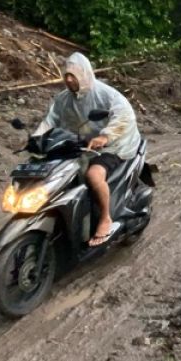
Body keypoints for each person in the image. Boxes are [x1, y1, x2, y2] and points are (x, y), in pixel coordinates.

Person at [34, 52, 140, 246]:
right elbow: (50, 120)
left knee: (93, 175)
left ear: (84, 74)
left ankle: (105, 218)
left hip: (114, 145)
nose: (68, 79)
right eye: (66, 75)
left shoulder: (105, 94)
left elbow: (124, 115)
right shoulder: (63, 99)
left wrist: (105, 136)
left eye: (73, 75)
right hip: (82, 144)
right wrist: (36, 138)